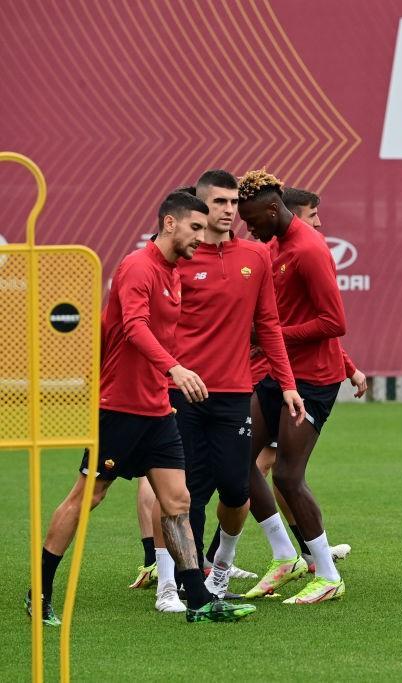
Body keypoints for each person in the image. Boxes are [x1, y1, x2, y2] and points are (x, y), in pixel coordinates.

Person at [27, 191, 255, 624]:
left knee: (178, 500)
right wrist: (176, 370)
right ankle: (39, 593)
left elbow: (163, 336)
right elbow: (133, 327)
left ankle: (197, 599)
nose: (200, 236)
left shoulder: (172, 272)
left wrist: (168, 385)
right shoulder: (137, 266)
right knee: (88, 496)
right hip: (118, 408)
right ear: (170, 223)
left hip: (156, 410)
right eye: (194, 228)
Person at [147, 169, 305, 612]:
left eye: (235, 203)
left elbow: (269, 325)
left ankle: (219, 572)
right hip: (184, 395)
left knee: (236, 492)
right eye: (220, 203)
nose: (230, 211)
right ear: (199, 205)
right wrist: (165, 375)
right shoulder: (175, 259)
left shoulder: (256, 255)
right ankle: (171, 585)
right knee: (185, 494)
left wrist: (288, 384)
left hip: (236, 393)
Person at [213, 185, 357, 574]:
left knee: (289, 476)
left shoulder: (309, 249)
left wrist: (270, 337)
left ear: (273, 209)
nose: (249, 227)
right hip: (282, 374)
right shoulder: (272, 247)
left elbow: (334, 322)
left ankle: (326, 573)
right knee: (237, 459)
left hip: (313, 379)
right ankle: (283, 555)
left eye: (253, 220)